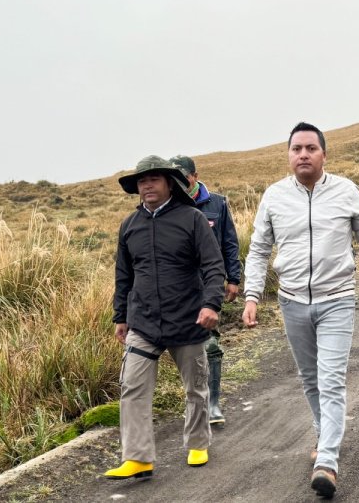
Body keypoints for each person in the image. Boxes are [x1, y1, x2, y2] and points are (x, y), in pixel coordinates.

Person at [242, 122, 359, 499]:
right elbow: (259, 250)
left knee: (331, 379)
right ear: (288, 155)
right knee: (310, 378)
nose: (303, 154)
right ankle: (325, 434)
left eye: (310, 148)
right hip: (292, 302)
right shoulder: (274, 197)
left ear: (324, 154)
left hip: (336, 299)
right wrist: (252, 296)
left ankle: (327, 461)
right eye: (296, 149)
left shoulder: (345, 191)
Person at [105, 156, 227, 481]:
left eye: (154, 179)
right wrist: (121, 316)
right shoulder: (129, 226)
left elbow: (214, 266)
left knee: (196, 387)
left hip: (188, 319)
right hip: (143, 322)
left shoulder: (192, 219)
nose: (146, 186)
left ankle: (198, 443)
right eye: (141, 181)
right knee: (132, 386)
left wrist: (211, 304)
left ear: (168, 183)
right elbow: (123, 276)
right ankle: (138, 457)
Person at [170, 154, 242, 426]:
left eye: (183, 176)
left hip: (208, 287)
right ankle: (193, 399)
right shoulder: (168, 204)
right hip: (176, 288)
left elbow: (229, 243)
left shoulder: (217, 203)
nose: (178, 181)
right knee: (184, 349)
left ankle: (212, 404)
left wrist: (233, 278)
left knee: (210, 346)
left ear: (194, 176)